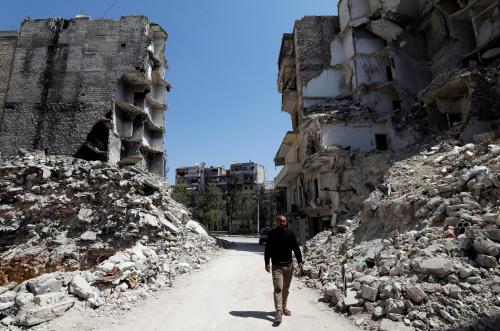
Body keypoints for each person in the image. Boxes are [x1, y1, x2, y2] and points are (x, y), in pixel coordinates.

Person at [264, 215, 304, 324]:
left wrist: (300, 261)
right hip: (277, 266)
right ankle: (278, 312)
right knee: (278, 289)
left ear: (286, 222)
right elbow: (267, 249)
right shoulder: (272, 234)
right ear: (277, 222)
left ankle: (283, 307)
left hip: (289, 266)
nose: (283, 223)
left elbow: (296, 248)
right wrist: (267, 262)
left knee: (286, 289)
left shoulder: (290, 234)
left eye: (284, 221)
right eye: (281, 221)